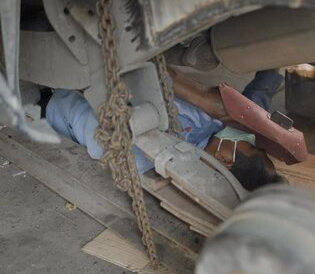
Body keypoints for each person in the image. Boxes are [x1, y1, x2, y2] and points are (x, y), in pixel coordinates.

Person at [45, 69, 287, 190]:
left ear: (225, 160)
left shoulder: (151, 155)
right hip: (91, 88)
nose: (246, 138)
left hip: (65, 98)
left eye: (248, 146)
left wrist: (204, 100)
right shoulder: (213, 125)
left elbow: (157, 73)